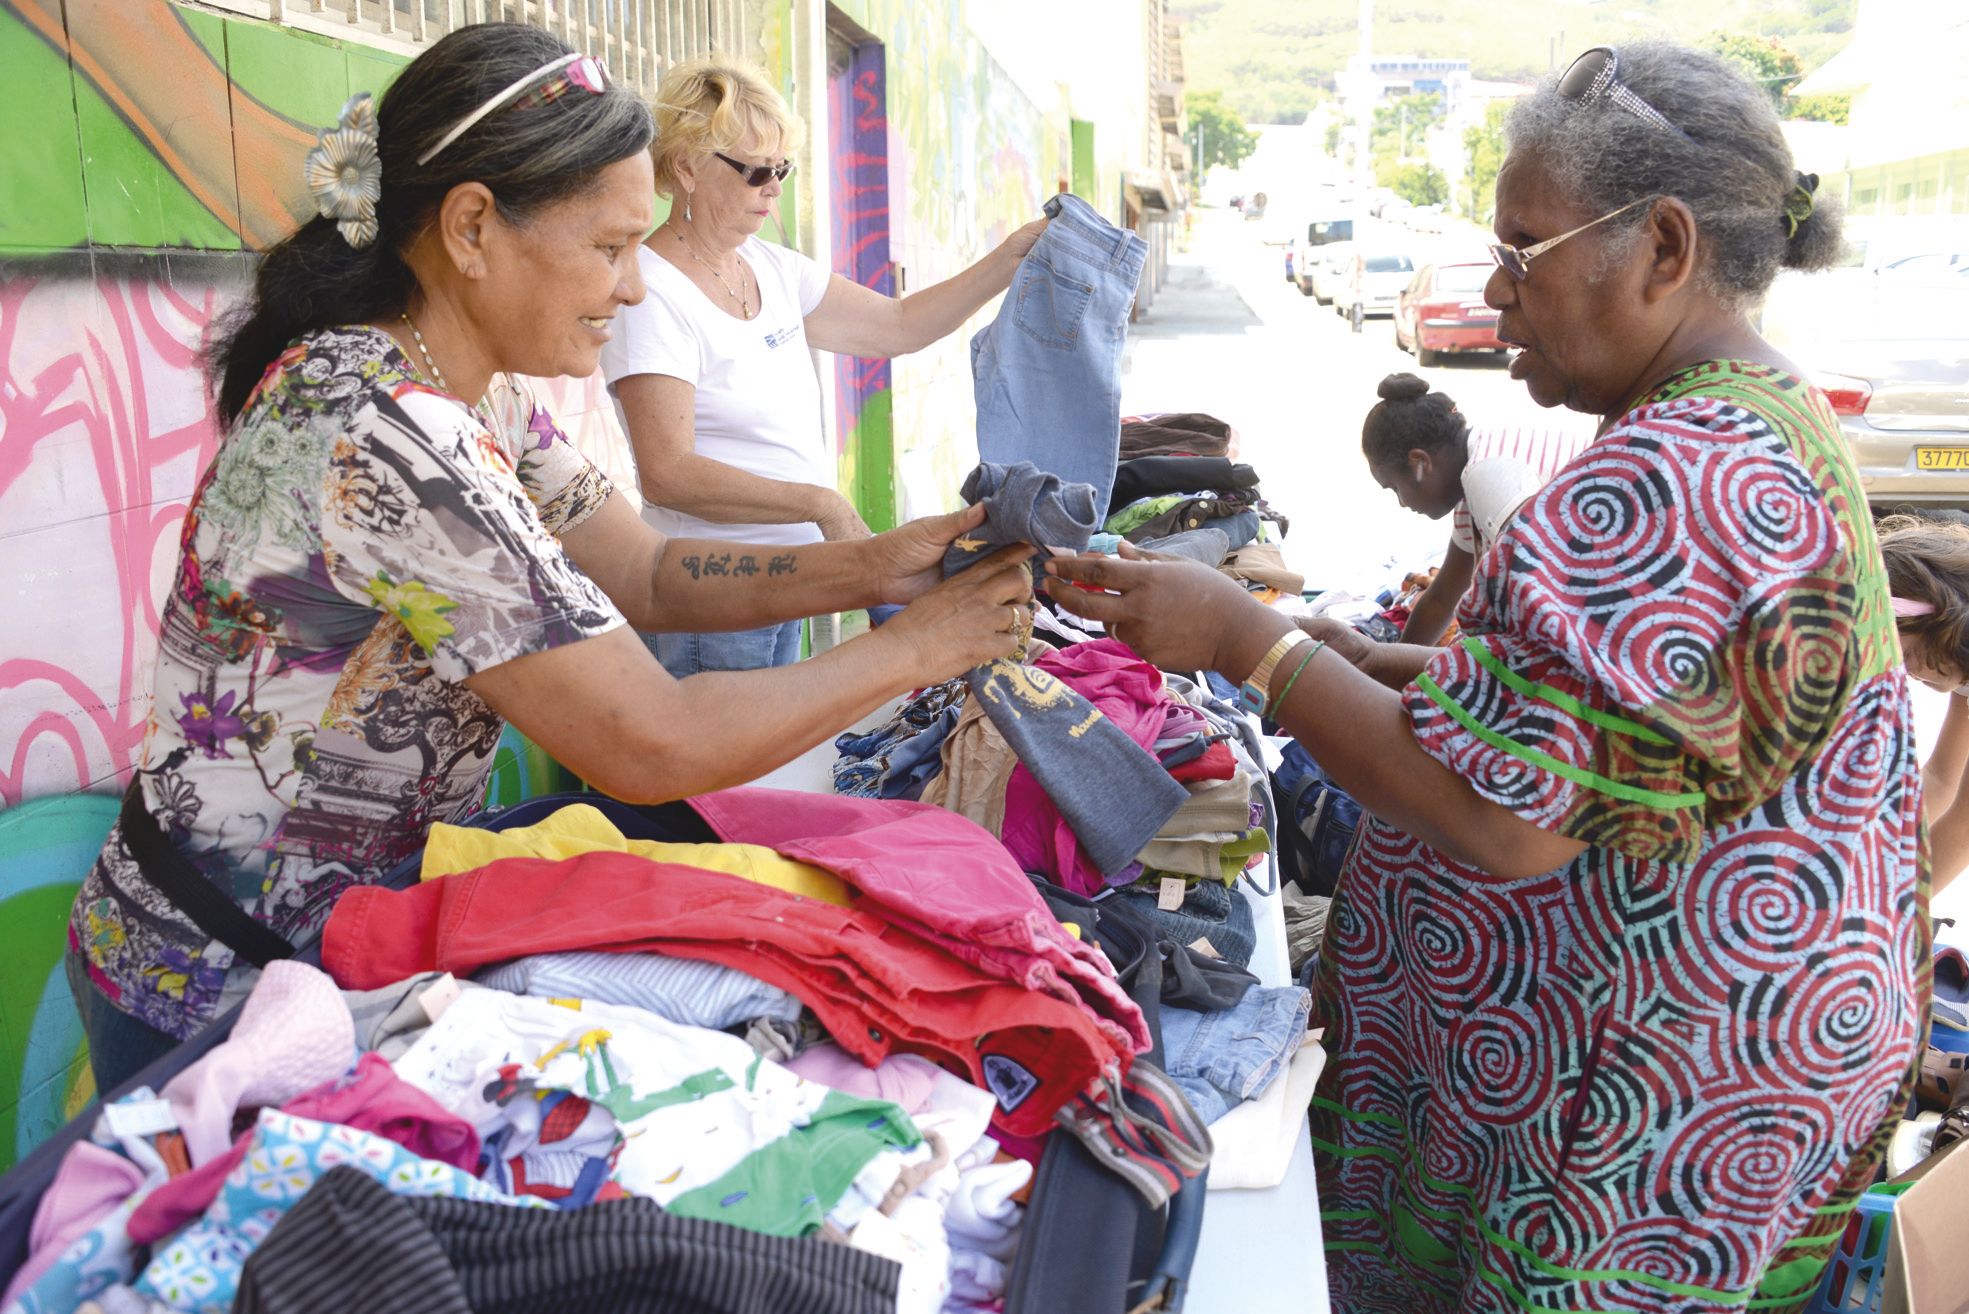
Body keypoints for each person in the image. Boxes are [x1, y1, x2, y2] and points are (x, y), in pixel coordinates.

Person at [1045, 42, 1926, 1314]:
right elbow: (1639, 717)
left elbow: (1512, 821)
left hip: (1635, 1103)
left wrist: (1255, 645)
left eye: (1522, 249)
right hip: (1708, 1055)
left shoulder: (1676, 472)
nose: (1499, 296)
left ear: (1664, 248)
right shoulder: (1750, 423)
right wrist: (1382, 662)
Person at [67, 22, 1035, 1091]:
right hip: (216, 991)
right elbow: (650, 738)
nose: (630, 290)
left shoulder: (474, 397)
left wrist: (877, 571)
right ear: (473, 226)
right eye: (611, 248)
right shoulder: (389, 431)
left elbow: (648, 573)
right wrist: (914, 650)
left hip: (305, 960)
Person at [601, 57, 1046, 676]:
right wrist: (821, 504)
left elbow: (900, 326)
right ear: (686, 167)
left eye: (781, 168)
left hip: (790, 586)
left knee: (766, 769)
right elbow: (668, 473)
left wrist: (1011, 258)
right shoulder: (651, 291)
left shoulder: (773, 267)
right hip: (713, 599)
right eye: (755, 170)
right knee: (724, 772)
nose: (773, 188)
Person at [1360, 372, 1593, 644]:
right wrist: (1390, 666)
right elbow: (1441, 599)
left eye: (1395, 488)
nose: (1402, 503)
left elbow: (1530, 599)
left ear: (1420, 462)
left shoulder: (1487, 474)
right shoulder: (1469, 489)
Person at [1882, 512, 1969, 893]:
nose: (1907, 674)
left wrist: (1891, 917)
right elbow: (1941, 777)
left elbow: (1966, 825)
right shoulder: (1959, 666)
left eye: (1907, 655)